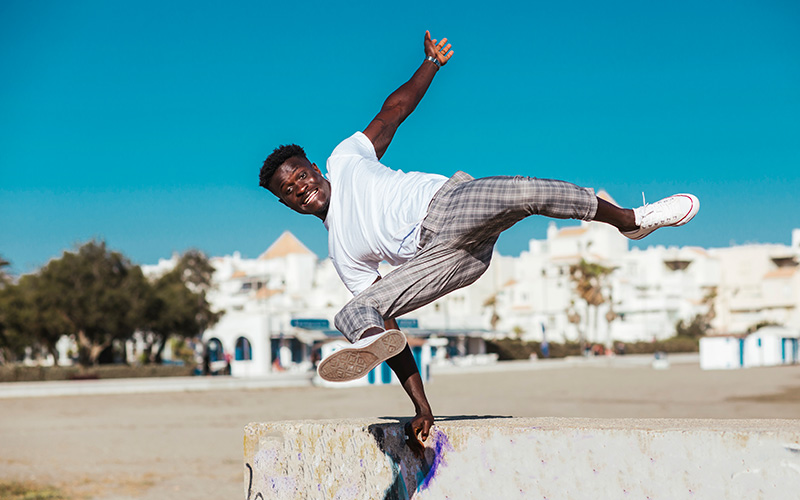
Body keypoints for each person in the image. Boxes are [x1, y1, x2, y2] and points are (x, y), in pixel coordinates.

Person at [258, 31, 699, 452]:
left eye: (301, 176)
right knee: (355, 311)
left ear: (315, 167)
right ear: (285, 203)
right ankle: (365, 339)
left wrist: (430, 64)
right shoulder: (343, 254)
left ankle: (631, 220)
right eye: (289, 191)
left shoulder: (346, 158)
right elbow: (391, 325)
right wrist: (421, 406)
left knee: (526, 192)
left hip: (449, 205)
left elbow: (393, 112)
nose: (300, 188)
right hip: (442, 260)